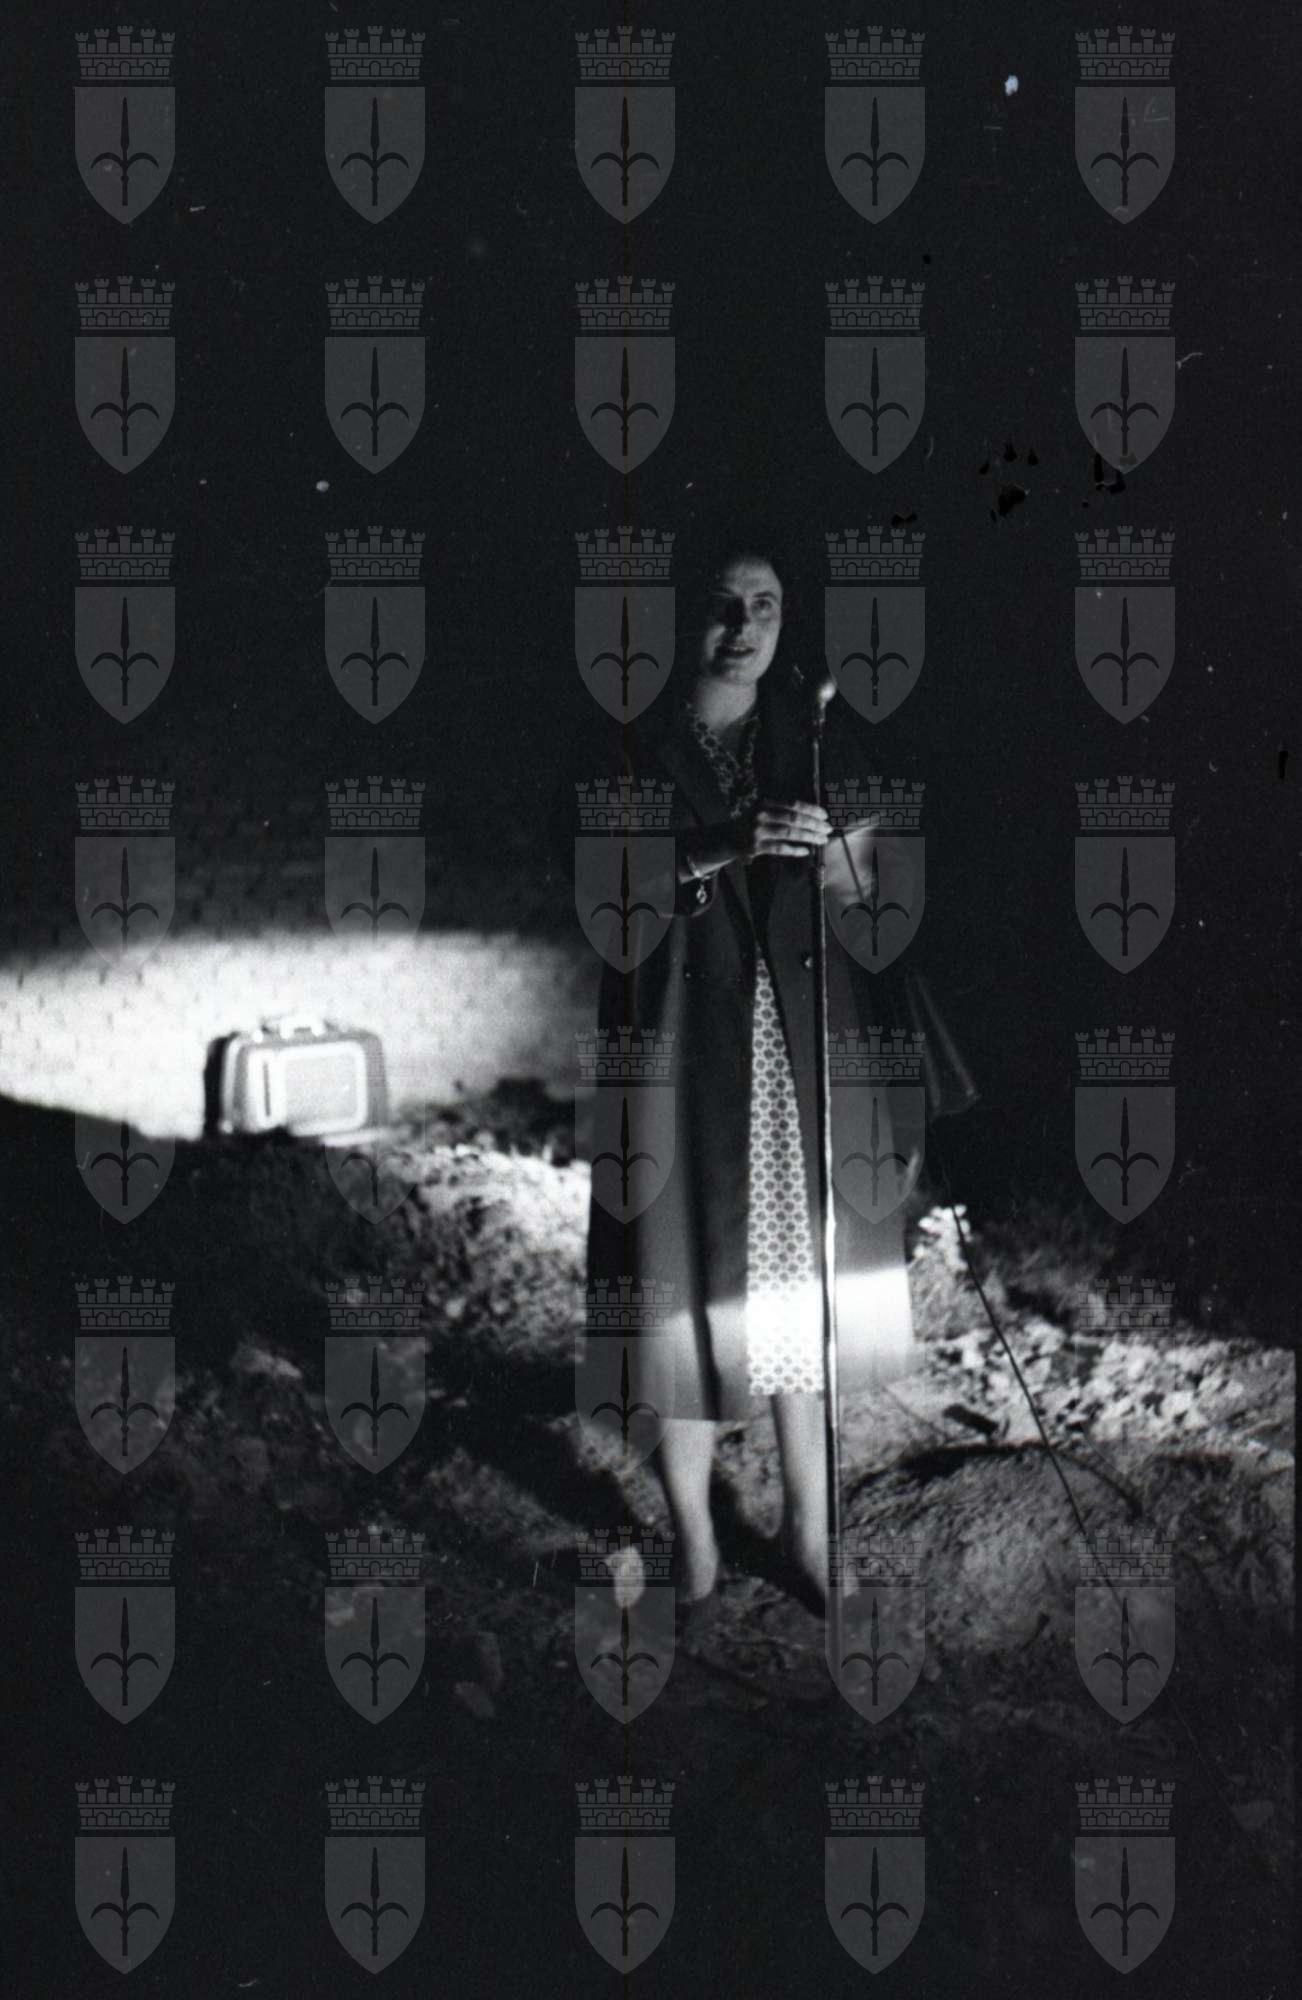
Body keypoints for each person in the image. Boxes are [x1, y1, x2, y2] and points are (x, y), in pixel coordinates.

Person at [583, 533, 973, 1620]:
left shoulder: (812, 739)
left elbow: (872, 899)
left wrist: (854, 856)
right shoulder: (627, 745)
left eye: (765, 605)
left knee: (801, 1285)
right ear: (678, 617)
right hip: (681, 1052)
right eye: (722, 603)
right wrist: (724, 841)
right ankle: (697, 1539)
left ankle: (808, 1527)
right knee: (677, 1289)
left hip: (799, 1051)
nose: (743, 627)